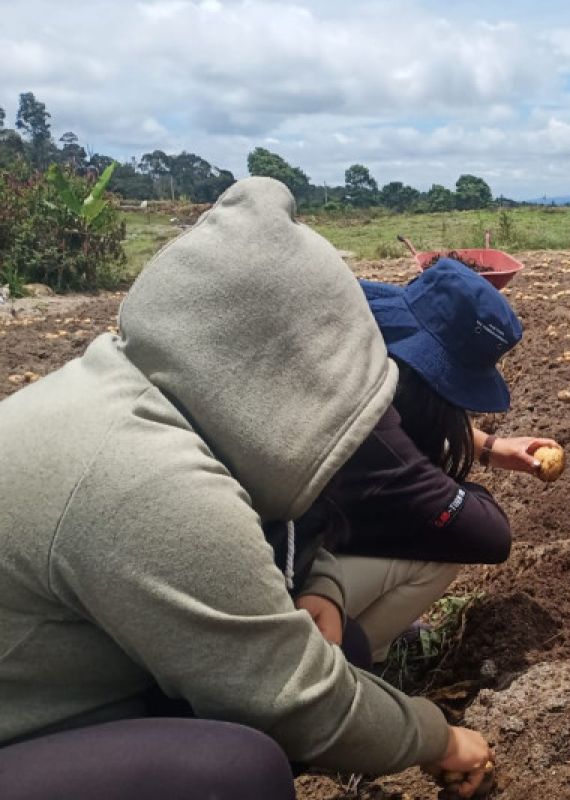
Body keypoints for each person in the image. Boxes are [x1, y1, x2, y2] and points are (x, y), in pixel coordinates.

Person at [0, 179, 493, 799]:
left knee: (309, 669)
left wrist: (324, 590)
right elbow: (292, 698)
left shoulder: (137, 395)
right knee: (235, 772)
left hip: (51, 708)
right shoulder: (149, 483)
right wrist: (438, 737)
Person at [288, 259, 559, 664]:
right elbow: (490, 537)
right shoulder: (382, 443)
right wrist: (460, 491)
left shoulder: (348, 368)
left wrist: (489, 447)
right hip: (274, 585)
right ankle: (341, 665)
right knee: (439, 555)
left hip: (280, 537)